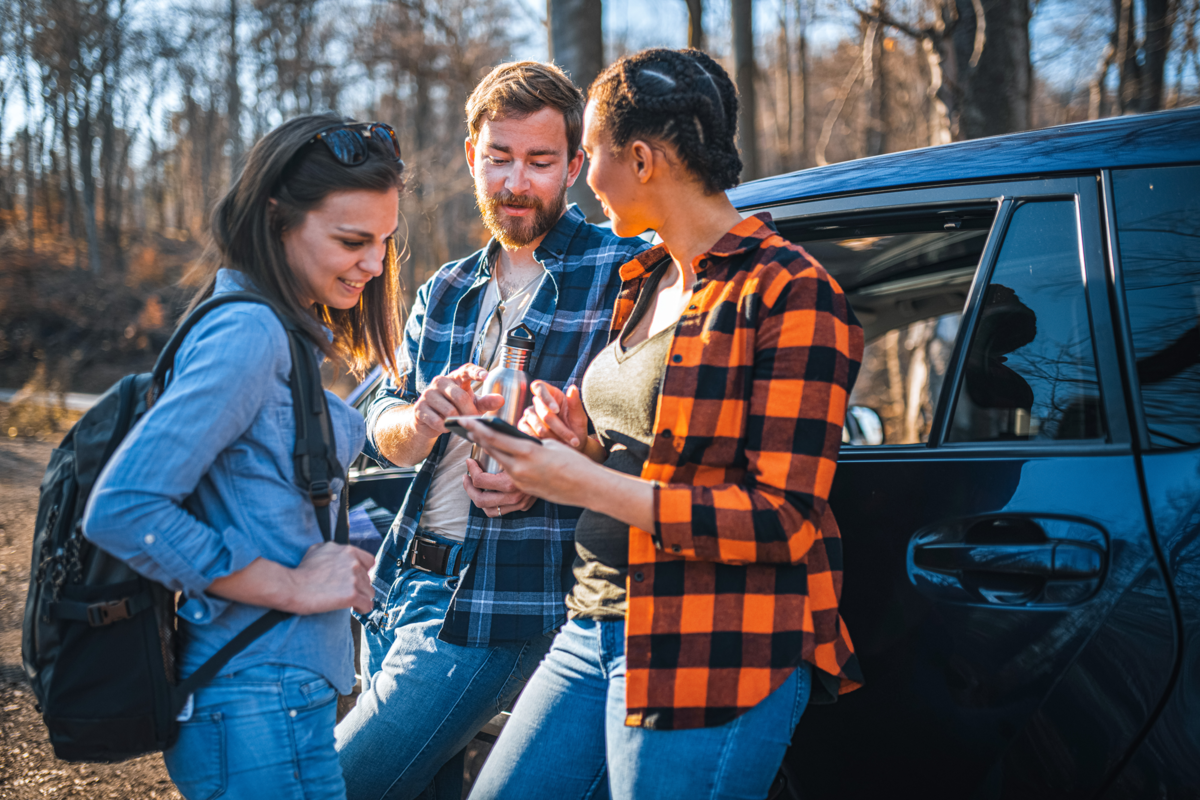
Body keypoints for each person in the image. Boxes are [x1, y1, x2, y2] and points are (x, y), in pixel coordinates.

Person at [460, 48, 865, 800]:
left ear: (641, 159)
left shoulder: (791, 294)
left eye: (595, 155)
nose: (584, 178)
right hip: (594, 623)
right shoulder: (646, 278)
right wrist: (578, 446)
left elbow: (782, 520)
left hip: (713, 645)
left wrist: (581, 481)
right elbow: (653, 451)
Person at [333, 62, 648, 800]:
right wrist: (415, 420)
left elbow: (645, 443)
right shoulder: (444, 288)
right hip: (401, 584)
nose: (516, 181)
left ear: (574, 167)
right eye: (499, 158)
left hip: (503, 604)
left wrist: (549, 470)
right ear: (471, 157)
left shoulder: (625, 272)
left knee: (330, 784)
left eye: (540, 162)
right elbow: (378, 417)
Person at [83, 113, 405, 800]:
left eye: (384, 241)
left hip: (274, 699)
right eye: (352, 240)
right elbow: (124, 507)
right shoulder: (249, 334)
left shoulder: (276, 330)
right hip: (255, 700)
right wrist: (290, 586)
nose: (374, 264)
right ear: (276, 218)